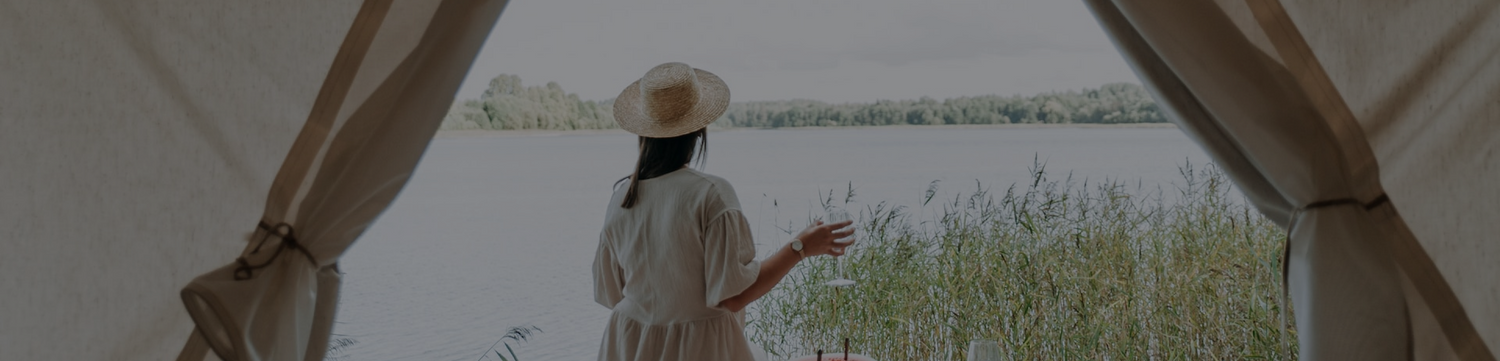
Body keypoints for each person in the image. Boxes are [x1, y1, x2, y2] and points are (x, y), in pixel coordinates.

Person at [593, 62, 855, 361]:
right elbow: (734, 296)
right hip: (698, 347)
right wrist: (800, 247)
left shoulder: (623, 196)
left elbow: (610, 293)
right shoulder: (710, 194)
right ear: (699, 130)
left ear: (644, 131)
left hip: (629, 343)